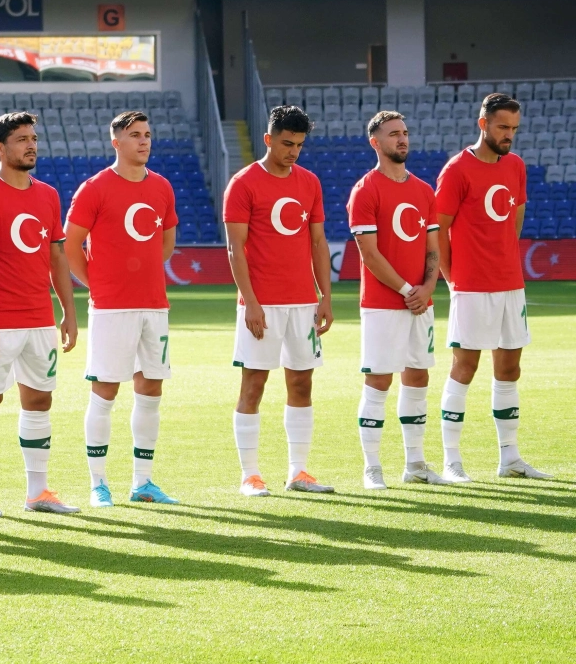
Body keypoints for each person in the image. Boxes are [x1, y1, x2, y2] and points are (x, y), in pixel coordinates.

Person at [0, 111, 80, 517]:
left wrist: (68, 312)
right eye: (22, 139)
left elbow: (57, 256)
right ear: (0, 148)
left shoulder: (47, 195)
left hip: (39, 321)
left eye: (34, 138)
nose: (31, 145)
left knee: (39, 401)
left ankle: (38, 492)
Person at [64, 110, 179, 507]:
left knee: (150, 389)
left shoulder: (162, 186)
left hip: (154, 305)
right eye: (134, 135)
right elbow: (70, 245)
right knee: (105, 390)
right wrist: (97, 284)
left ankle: (143, 482)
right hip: (112, 308)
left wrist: (145, 273)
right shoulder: (94, 188)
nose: (143, 141)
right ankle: (99, 484)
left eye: (147, 134)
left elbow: (166, 241)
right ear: (116, 142)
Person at [434, 92, 551, 482]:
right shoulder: (456, 170)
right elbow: (439, 232)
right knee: (464, 367)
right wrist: (453, 280)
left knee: (510, 368)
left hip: (509, 285)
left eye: (514, 129)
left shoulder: (516, 166)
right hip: (471, 287)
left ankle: (510, 458)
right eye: (503, 127)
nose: (509, 136)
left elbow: (514, 221)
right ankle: (452, 460)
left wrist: (503, 257)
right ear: (482, 124)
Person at [223, 105, 335, 497]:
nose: (293, 152)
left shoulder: (309, 183)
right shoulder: (243, 183)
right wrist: (251, 302)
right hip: (262, 303)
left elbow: (318, 242)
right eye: (287, 143)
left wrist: (325, 296)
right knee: (254, 384)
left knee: (301, 383)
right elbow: (235, 247)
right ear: (268, 138)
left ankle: (299, 472)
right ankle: (250, 475)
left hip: (303, 303)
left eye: (300, 145)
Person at [347, 110, 448, 489]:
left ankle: (416, 464)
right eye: (393, 134)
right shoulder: (365, 190)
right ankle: (372, 467)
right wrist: (408, 290)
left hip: (420, 302)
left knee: (418, 376)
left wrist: (428, 286)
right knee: (378, 381)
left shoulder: (424, 191)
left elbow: (433, 247)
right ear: (376, 143)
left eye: (405, 133)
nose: (402, 139)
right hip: (382, 304)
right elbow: (369, 254)